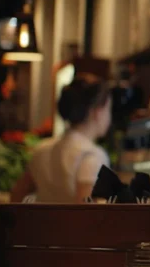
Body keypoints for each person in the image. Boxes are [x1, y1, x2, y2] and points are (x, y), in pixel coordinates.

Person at [11, 74, 112, 203]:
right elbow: (86, 212)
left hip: (41, 223)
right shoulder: (92, 155)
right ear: (98, 112)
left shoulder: (41, 149)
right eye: (109, 109)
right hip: (73, 224)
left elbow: (16, 195)